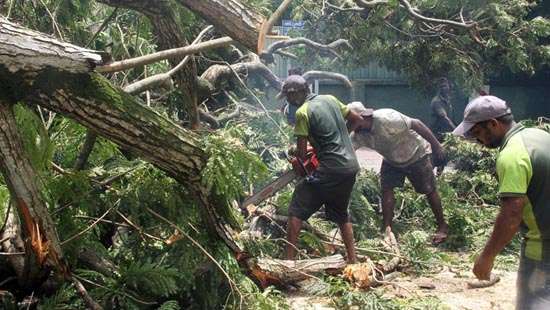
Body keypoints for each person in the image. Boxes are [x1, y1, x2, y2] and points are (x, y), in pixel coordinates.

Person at [453, 95, 550, 310]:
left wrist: (486, 258)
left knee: (535, 302)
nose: (478, 141)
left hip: (542, 246)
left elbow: (511, 215)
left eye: (478, 133)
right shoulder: (539, 135)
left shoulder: (512, 154)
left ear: (493, 124)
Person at [278, 75, 363, 263]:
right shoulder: (330, 99)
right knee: (341, 213)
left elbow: (300, 154)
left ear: (296, 93)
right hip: (350, 167)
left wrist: (299, 157)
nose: (287, 100)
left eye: (288, 96)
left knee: (296, 209)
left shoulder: (303, 112)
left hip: (330, 168)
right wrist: (338, 141)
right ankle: (353, 260)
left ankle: (288, 261)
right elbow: (357, 119)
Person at [347, 102, 449, 244]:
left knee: (428, 190)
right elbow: (347, 151)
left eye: (352, 122)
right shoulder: (358, 134)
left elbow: (417, 124)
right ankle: (387, 228)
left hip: (415, 154)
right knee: (386, 189)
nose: (352, 127)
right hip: (391, 159)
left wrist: (437, 146)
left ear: (364, 117)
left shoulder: (387, 118)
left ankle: (442, 226)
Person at [430, 77, 456, 141]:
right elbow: (445, 119)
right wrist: (456, 131)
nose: (443, 88)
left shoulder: (448, 100)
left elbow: (451, 118)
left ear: (449, 86)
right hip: (437, 135)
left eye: (444, 86)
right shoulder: (436, 101)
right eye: (441, 87)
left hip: (447, 134)